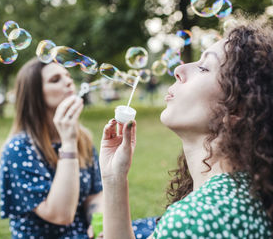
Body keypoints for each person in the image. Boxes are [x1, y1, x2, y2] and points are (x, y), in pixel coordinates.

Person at [99, 21, 273, 238]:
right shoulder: (247, 192)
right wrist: (114, 178)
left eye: (203, 67)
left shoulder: (195, 219)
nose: (179, 69)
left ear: (237, 110)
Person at [0, 58, 103, 238]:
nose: (69, 81)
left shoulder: (83, 137)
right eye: (55, 80)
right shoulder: (18, 149)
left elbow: (95, 194)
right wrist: (68, 143)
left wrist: (100, 223)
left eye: (68, 76)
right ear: (35, 95)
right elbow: (61, 215)